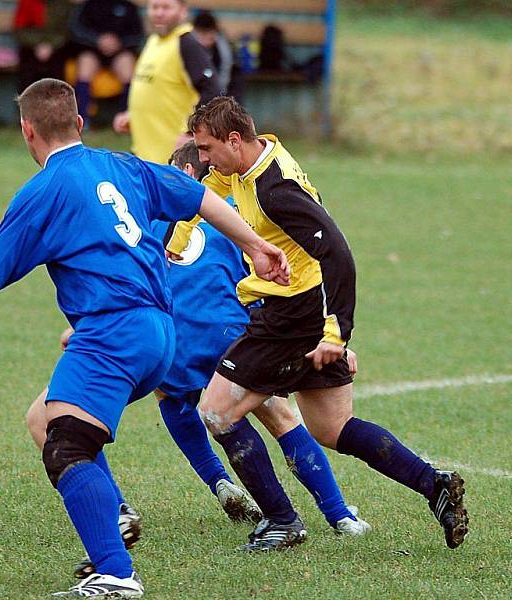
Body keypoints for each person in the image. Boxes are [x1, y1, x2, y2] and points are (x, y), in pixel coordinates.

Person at [0, 79, 289, 599]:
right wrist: (256, 245)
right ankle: (112, 519)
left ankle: (115, 571)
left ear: (27, 131)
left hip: (113, 330)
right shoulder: (124, 166)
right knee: (44, 419)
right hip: (161, 333)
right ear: (80, 125)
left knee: (67, 443)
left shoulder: (44, 191)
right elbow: (201, 196)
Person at [25, 142, 370, 580]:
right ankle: (340, 514)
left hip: (169, 335)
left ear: (187, 169)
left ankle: (193, 489)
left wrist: (92, 327)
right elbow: (282, 277)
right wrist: (322, 335)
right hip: (235, 332)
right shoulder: (239, 210)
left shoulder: (152, 212)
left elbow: (139, 273)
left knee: (169, 394)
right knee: (277, 412)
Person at [167, 96, 470, 551]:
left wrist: (336, 333)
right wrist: (182, 235)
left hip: (293, 315)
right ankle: (435, 484)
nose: (203, 159)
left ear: (234, 140)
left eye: (207, 148)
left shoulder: (274, 190)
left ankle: (282, 520)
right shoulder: (248, 162)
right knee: (333, 428)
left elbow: (338, 256)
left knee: (216, 412)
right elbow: (204, 191)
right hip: (297, 310)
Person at [112, 0, 221, 164]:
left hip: (173, 161)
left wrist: (192, 133)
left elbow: (212, 90)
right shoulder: (153, 41)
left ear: (183, 11)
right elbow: (156, 88)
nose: (159, 13)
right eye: (155, 7)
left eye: (166, 7)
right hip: (146, 156)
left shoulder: (186, 43)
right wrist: (133, 115)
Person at [68, 0, 144, 122]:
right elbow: (76, 29)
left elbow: (138, 34)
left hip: (120, 51)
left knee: (128, 68)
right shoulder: (88, 5)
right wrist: (97, 40)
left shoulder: (128, 6)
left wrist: (118, 43)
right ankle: (82, 119)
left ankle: (127, 118)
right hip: (93, 49)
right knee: (84, 67)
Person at [13, 0, 73, 93]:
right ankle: (26, 104)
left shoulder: (63, 4)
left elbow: (67, 32)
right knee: (28, 72)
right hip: (32, 47)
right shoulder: (27, 2)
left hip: (56, 48)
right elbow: (19, 30)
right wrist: (37, 45)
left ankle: (57, 104)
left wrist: (50, 46)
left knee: (57, 71)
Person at [191, 10, 232, 95]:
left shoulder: (221, 46)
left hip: (214, 91)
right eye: (202, 34)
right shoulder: (188, 44)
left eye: (210, 34)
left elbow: (225, 69)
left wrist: (219, 93)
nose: (207, 38)